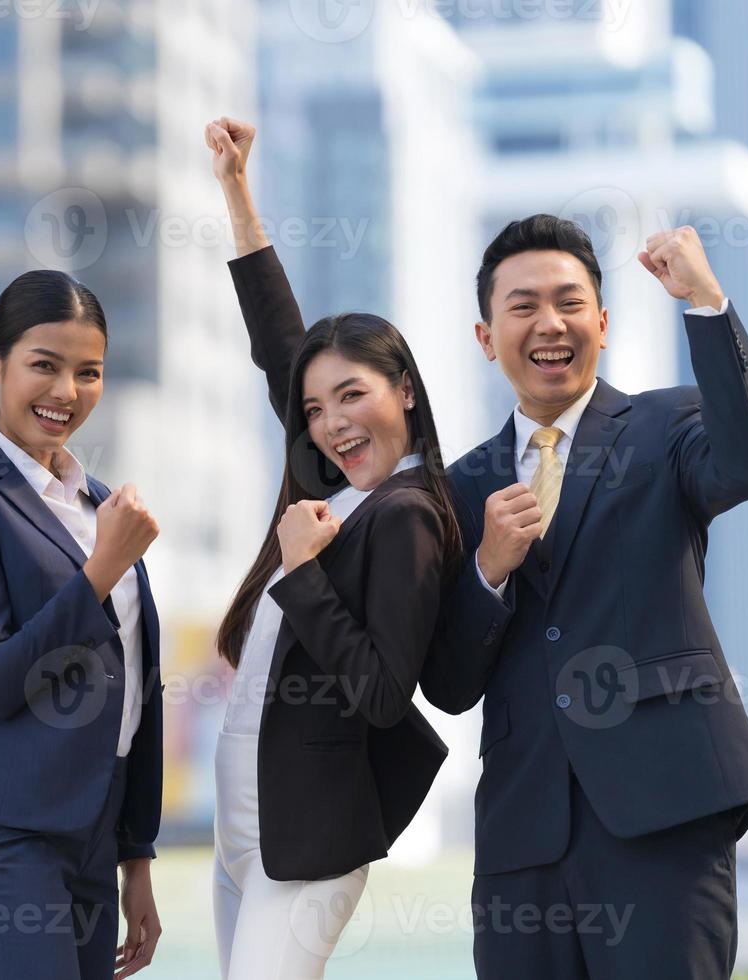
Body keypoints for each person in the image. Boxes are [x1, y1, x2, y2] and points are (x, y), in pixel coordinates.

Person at [422, 210, 748, 975]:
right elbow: (448, 685)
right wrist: (487, 569)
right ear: (486, 338)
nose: (549, 323)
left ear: (603, 322)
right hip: (526, 842)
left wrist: (706, 303)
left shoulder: (666, 425)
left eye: (569, 301)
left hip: (665, 820)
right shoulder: (458, 490)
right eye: (522, 306)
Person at [205, 117, 454, 978]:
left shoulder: (408, 512)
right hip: (247, 808)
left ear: (407, 392)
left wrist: (304, 573)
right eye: (316, 410)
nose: (331, 423)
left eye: (353, 396)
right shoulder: (340, 489)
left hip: (310, 827)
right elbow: (282, 346)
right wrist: (238, 194)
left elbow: (385, 692)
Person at [0, 270, 164, 979]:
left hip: (93, 834)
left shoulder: (100, 505)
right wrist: (101, 571)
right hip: (6, 836)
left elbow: (136, 693)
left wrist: (135, 857)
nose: (66, 392)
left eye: (88, 372)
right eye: (44, 366)